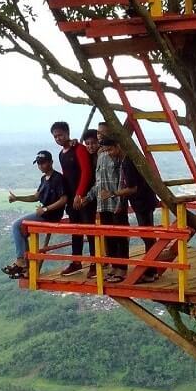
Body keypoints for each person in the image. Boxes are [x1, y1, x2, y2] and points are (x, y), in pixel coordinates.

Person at [3, 151, 67, 279]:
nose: (40, 166)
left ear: (51, 162)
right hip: (44, 213)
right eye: (38, 163)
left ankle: (21, 261)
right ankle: (26, 265)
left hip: (50, 216)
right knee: (21, 230)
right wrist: (17, 198)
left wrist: (45, 209)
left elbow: (63, 199)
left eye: (43, 163)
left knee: (16, 226)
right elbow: (35, 196)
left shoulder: (58, 178)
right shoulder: (44, 179)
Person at [106, 140, 160, 284]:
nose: (109, 153)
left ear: (118, 146)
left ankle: (150, 271)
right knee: (148, 236)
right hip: (146, 200)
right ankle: (152, 270)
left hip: (141, 202)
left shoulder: (127, 162)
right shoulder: (131, 158)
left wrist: (113, 193)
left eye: (110, 149)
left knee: (147, 236)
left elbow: (133, 188)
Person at [50, 121, 92, 276]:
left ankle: (95, 263)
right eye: (55, 136)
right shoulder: (62, 154)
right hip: (72, 199)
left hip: (84, 198)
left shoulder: (79, 149)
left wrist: (80, 194)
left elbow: (86, 172)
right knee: (76, 230)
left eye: (60, 135)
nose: (58, 138)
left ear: (67, 133)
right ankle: (76, 262)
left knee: (90, 230)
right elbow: (67, 177)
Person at [88, 135, 129, 283]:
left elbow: (122, 181)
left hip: (116, 202)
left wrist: (120, 202)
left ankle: (122, 269)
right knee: (109, 236)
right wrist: (88, 197)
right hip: (103, 203)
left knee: (120, 236)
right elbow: (98, 182)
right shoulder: (100, 156)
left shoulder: (117, 156)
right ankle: (114, 266)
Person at [81, 128, 99, 264]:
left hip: (98, 197)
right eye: (87, 144)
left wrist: (87, 197)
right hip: (92, 197)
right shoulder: (88, 156)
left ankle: (98, 260)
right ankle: (96, 260)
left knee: (96, 230)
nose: (90, 146)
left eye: (93, 143)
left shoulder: (102, 156)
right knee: (91, 230)